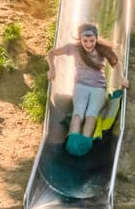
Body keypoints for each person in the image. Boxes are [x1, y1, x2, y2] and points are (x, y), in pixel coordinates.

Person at [48, 22, 121, 154]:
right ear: (80, 39)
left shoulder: (101, 50)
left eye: (92, 41)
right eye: (85, 41)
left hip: (99, 88)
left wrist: (122, 78)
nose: (88, 44)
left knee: (91, 114)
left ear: (96, 39)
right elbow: (52, 53)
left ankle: (85, 143)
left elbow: (116, 64)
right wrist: (52, 69)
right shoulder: (73, 48)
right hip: (81, 86)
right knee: (78, 112)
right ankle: (73, 142)